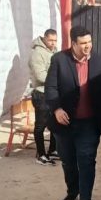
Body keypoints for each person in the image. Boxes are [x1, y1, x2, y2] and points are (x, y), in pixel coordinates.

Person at [45, 26, 101, 200]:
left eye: (89, 42)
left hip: (89, 124)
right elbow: (50, 88)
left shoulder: (100, 61)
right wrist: (57, 109)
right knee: (68, 161)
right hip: (65, 123)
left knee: (86, 161)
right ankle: (72, 191)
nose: (88, 46)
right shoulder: (59, 60)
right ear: (73, 44)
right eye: (83, 43)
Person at [28, 29, 58, 166]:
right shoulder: (37, 53)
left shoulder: (54, 52)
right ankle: (40, 154)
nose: (53, 43)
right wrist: (58, 80)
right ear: (44, 38)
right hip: (41, 94)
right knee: (40, 125)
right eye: (50, 40)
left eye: (55, 40)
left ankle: (52, 150)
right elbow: (40, 76)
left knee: (55, 123)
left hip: (52, 93)